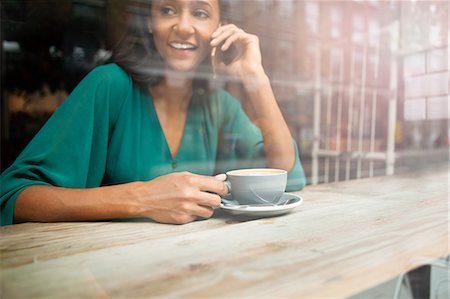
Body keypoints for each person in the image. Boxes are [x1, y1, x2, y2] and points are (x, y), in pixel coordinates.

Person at [1, 0, 305, 226]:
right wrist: (142, 198)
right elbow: (14, 196)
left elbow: (283, 173)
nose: (183, 26)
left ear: (219, 27)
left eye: (200, 13)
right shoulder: (110, 85)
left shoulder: (217, 105)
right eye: (168, 10)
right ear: (149, 21)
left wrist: (256, 78)